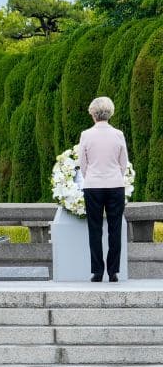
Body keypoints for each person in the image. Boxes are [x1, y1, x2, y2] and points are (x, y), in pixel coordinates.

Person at [78, 96, 130, 282]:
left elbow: (82, 164)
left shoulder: (86, 134)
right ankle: (113, 271)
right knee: (115, 228)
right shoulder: (118, 134)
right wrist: (116, 174)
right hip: (115, 184)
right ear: (110, 113)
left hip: (93, 185)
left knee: (95, 228)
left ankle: (97, 271)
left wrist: (91, 176)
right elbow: (123, 163)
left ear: (93, 114)